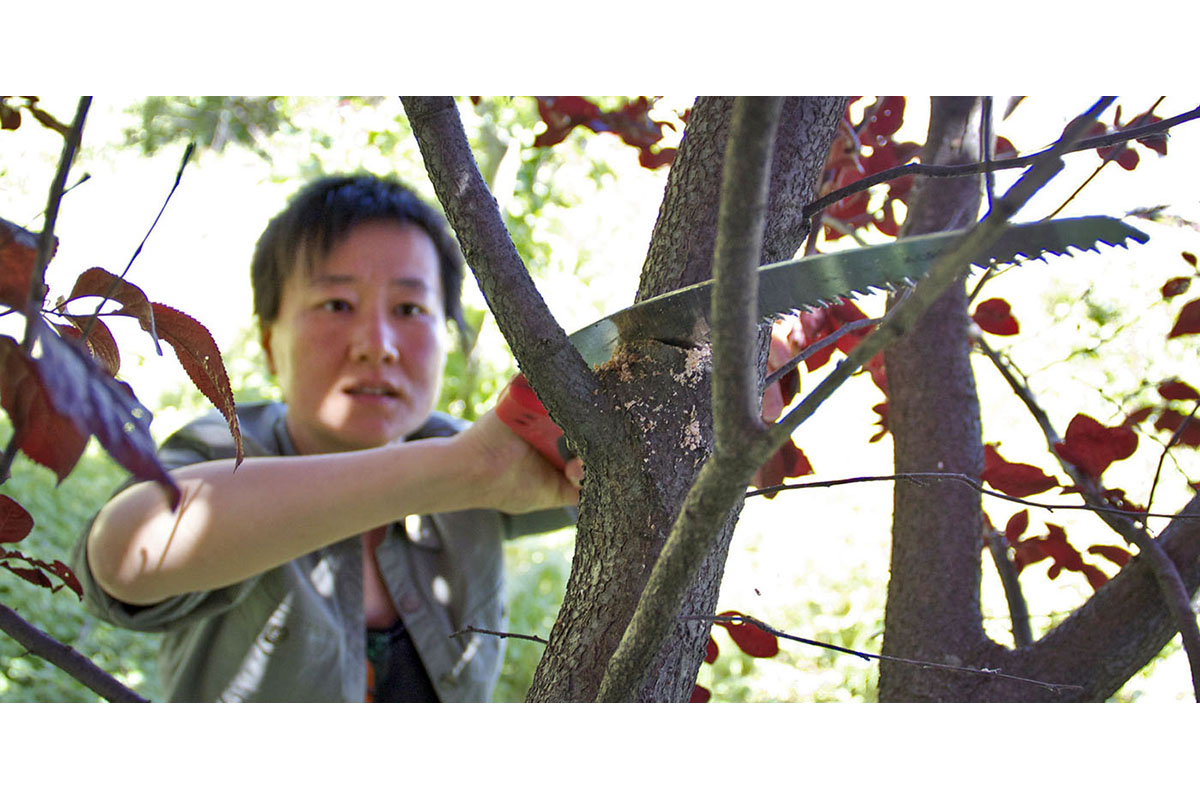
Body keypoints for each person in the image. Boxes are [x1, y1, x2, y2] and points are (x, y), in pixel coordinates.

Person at [72, 174, 582, 702]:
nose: (377, 346)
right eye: (337, 304)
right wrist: (462, 473)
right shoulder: (231, 450)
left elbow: (643, 464)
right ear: (272, 344)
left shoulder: (466, 446)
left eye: (409, 309)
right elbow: (124, 553)